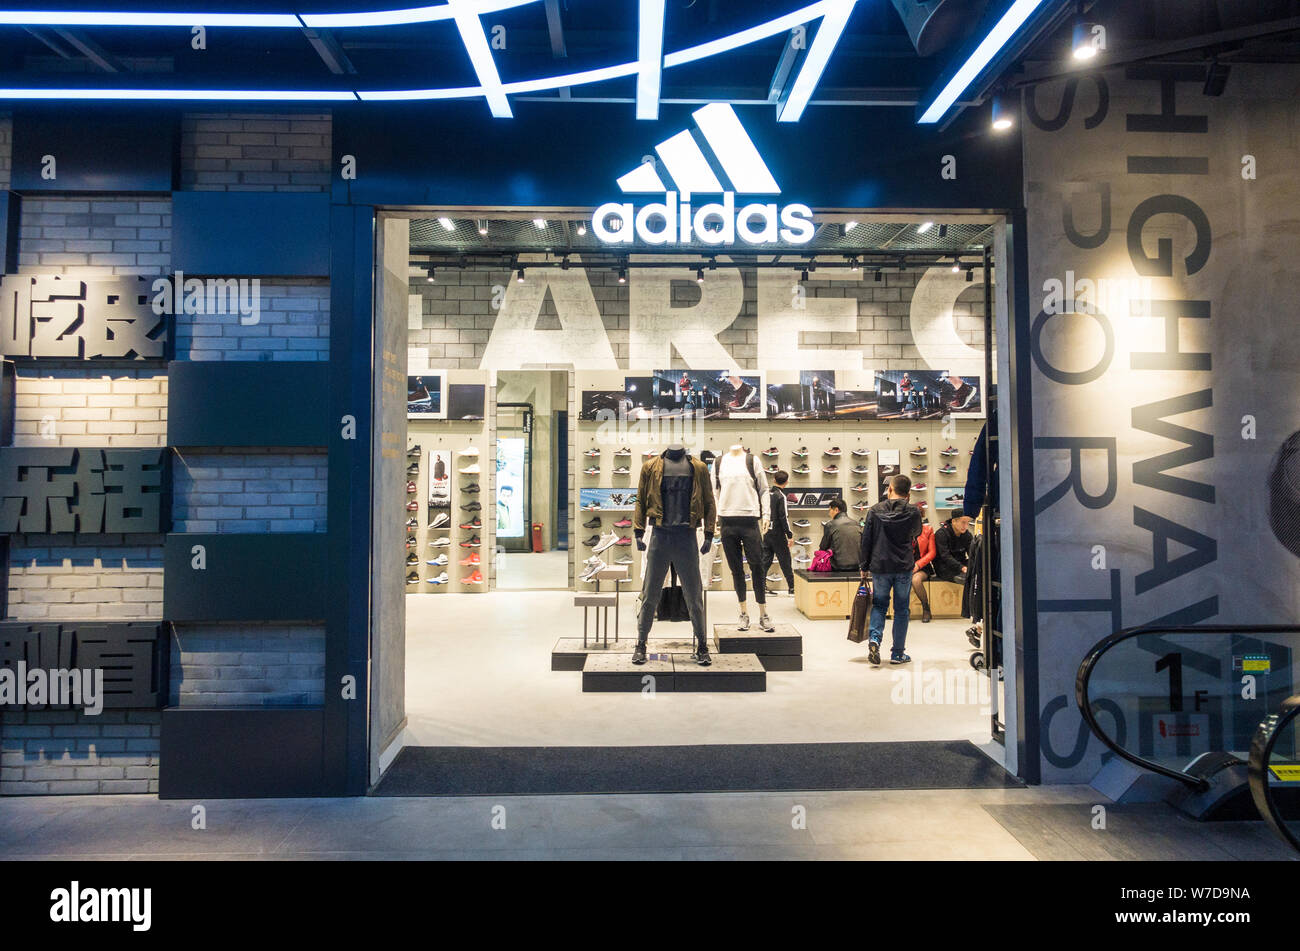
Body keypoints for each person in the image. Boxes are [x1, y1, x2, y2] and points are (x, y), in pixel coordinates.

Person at [858, 474, 923, 667]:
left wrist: (864, 566)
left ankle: (875, 641)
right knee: (902, 609)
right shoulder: (913, 511)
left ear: (890, 489)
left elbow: (866, 540)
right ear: (908, 493)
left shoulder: (875, 510)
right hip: (903, 566)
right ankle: (897, 653)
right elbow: (916, 533)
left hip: (880, 565)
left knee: (879, 605)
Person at [762, 469, 795, 592]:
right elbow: (783, 517)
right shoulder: (781, 496)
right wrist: (789, 535)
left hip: (767, 531)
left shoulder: (766, 494)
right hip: (778, 533)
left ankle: (761, 586)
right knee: (785, 560)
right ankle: (792, 587)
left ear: (774, 480)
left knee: (765, 560)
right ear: (786, 482)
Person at [818, 497, 860, 572]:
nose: (829, 513)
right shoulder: (857, 524)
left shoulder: (830, 525)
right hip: (857, 566)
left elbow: (823, 547)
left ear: (836, 510)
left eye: (830, 510)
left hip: (837, 566)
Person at [933, 514, 973, 581]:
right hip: (944, 566)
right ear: (954, 521)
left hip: (960, 562)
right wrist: (962, 567)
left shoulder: (967, 534)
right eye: (963, 522)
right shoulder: (941, 534)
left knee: (977, 567)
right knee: (967, 578)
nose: (966, 526)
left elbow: (971, 553)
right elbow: (945, 556)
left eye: (968, 523)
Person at [911, 520, 936, 623]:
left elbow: (932, 552)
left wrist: (918, 564)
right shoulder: (901, 529)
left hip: (923, 566)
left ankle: (926, 608)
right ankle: (903, 610)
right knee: (900, 579)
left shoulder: (928, 530)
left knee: (916, 580)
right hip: (905, 565)